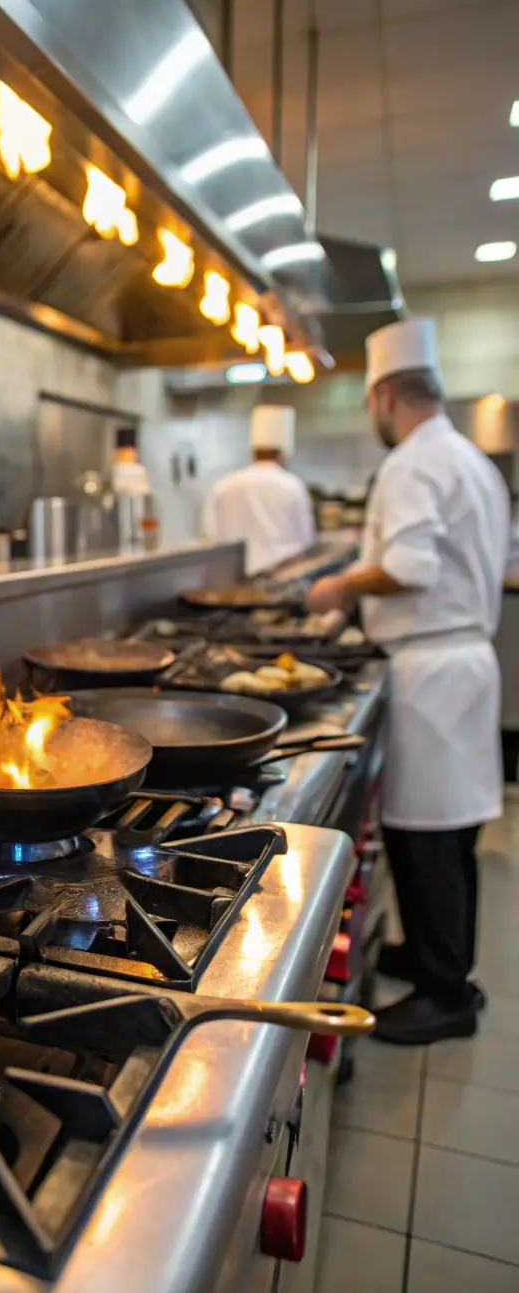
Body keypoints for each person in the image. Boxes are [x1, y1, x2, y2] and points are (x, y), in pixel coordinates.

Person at [307, 317, 512, 1045]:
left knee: (425, 833)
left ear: (386, 394)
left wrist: (338, 586)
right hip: (462, 660)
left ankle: (445, 993)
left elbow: (413, 568)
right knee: (453, 832)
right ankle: (440, 962)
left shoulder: (412, 463)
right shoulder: (471, 459)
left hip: (432, 668)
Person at [200, 404, 315, 576]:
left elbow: (210, 536)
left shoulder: (223, 485)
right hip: (280, 580)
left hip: (232, 581)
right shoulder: (292, 485)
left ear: (252, 453)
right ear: (283, 455)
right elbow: (305, 540)